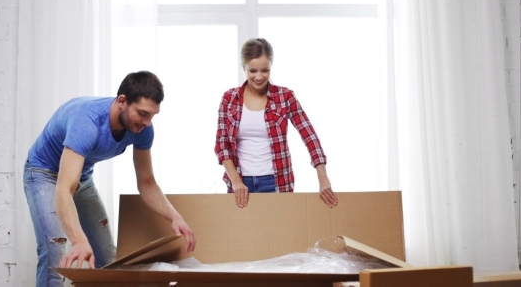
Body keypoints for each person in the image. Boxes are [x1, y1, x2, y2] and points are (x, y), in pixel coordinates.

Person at [24, 71, 196, 286]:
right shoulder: (86, 122)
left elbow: (147, 182)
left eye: (152, 115)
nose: (147, 122)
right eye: (142, 113)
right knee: (55, 251)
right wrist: (78, 240)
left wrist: (175, 217)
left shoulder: (143, 129)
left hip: (82, 176)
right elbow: (63, 189)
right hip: (44, 173)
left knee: (107, 256)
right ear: (122, 101)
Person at [214, 38, 339, 209]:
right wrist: (236, 181)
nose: (259, 77)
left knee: (281, 234)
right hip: (240, 184)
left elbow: (309, 136)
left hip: (277, 182)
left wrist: (323, 177)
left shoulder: (285, 97)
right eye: (252, 71)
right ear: (243, 67)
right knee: (242, 234)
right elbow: (222, 145)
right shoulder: (229, 99)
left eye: (265, 70)